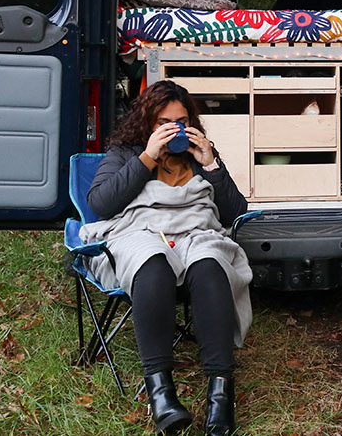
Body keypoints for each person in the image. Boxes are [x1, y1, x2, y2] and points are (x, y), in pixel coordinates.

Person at [84, 80, 251, 436]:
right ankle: (161, 395)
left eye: (181, 120)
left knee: (210, 265)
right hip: (140, 233)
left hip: (195, 232)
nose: (174, 129)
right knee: (153, 264)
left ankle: (221, 394)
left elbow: (233, 212)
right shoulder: (127, 152)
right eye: (164, 122)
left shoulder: (199, 154)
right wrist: (147, 156)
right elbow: (100, 204)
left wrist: (213, 166)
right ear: (148, 123)